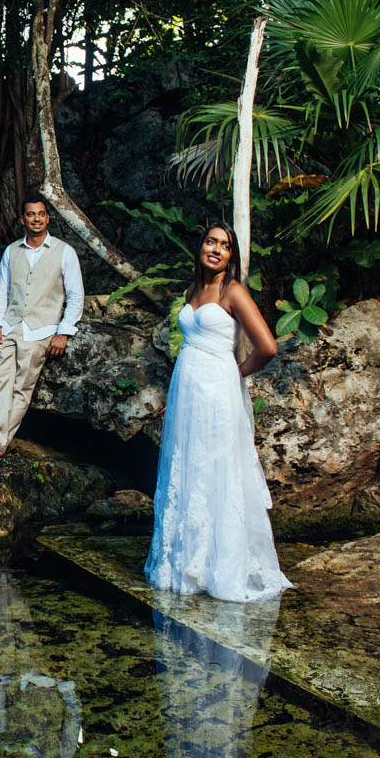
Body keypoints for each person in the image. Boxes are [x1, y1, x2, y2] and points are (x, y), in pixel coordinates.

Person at [144, 222, 294, 603]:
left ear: (232, 256)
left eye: (225, 246)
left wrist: (236, 374)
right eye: (211, 242)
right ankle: (184, 562)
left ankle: (219, 565)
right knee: (187, 466)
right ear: (200, 246)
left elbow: (268, 347)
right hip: (186, 389)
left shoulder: (233, 291)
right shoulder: (194, 289)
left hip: (217, 390)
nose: (216, 249)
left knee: (216, 469)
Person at [0, 195, 84, 458]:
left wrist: (63, 331)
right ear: (23, 219)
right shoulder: (12, 251)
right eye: (30, 214)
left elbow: (75, 296)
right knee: (0, 381)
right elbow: (0, 293)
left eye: (41, 214)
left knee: (22, 387)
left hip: (41, 330)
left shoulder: (64, 252)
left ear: (47, 218)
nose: (36, 219)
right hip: (11, 326)